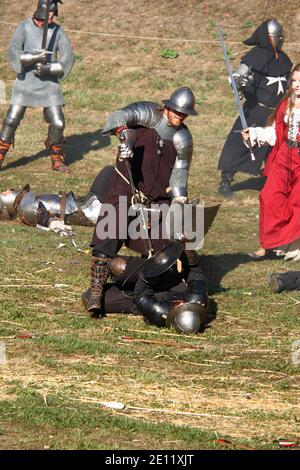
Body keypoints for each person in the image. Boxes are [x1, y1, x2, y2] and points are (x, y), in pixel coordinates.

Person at [84, 87, 198, 314]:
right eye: (176, 111)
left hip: (157, 200)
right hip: (126, 186)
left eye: (184, 114)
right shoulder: (147, 113)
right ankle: (95, 293)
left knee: (166, 251)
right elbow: (119, 117)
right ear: (167, 107)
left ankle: (137, 288)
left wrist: (178, 200)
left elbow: (180, 173)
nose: (180, 116)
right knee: (109, 232)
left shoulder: (182, 137)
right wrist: (125, 136)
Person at [217, 19, 292, 198]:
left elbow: (289, 83)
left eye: (279, 37)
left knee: (273, 148)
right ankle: (226, 180)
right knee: (238, 144)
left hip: (275, 112)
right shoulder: (254, 55)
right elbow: (238, 77)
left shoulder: (284, 59)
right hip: (255, 109)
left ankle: (274, 180)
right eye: (275, 37)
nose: (278, 40)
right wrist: (240, 82)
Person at [0, 0, 75, 174]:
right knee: (12, 119)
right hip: (26, 81)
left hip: (49, 84)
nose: (51, 15)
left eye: (54, 12)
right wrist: (32, 59)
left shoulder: (57, 31)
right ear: (40, 9)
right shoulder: (24, 27)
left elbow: (68, 57)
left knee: (58, 122)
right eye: (49, 11)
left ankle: (56, 160)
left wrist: (50, 68)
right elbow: (13, 50)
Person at [82, 241, 209, 335]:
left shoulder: (159, 310)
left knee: (117, 269)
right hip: (170, 281)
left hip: (143, 291)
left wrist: (153, 267)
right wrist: (187, 252)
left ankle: (118, 289)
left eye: (179, 307)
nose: (181, 304)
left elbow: (142, 291)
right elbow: (195, 271)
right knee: (120, 266)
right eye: (185, 305)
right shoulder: (197, 299)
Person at [242, 63, 300, 260]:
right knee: (269, 197)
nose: (297, 85)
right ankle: (266, 245)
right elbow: (276, 133)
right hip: (284, 156)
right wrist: (255, 133)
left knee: (296, 202)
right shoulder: (286, 104)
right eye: (294, 80)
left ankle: (294, 244)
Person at [0, 166, 115, 232]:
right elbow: (40, 214)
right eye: (4, 192)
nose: (7, 189)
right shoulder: (24, 205)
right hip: (90, 211)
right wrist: (52, 222)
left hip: (86, 203)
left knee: (110, 171)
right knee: (111, 172)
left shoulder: (24, 203)